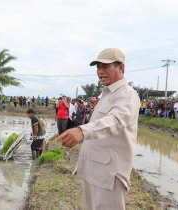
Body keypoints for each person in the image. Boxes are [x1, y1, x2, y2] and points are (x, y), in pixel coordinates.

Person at [55, 48, 140, 210]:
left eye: (106, 66)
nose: (100, 71)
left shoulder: (127, 95)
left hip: (109, 174)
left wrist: (82, 131)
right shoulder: (107, 94)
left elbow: (114, 121)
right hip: (94, 168)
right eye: (98, 67)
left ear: (121, 67)